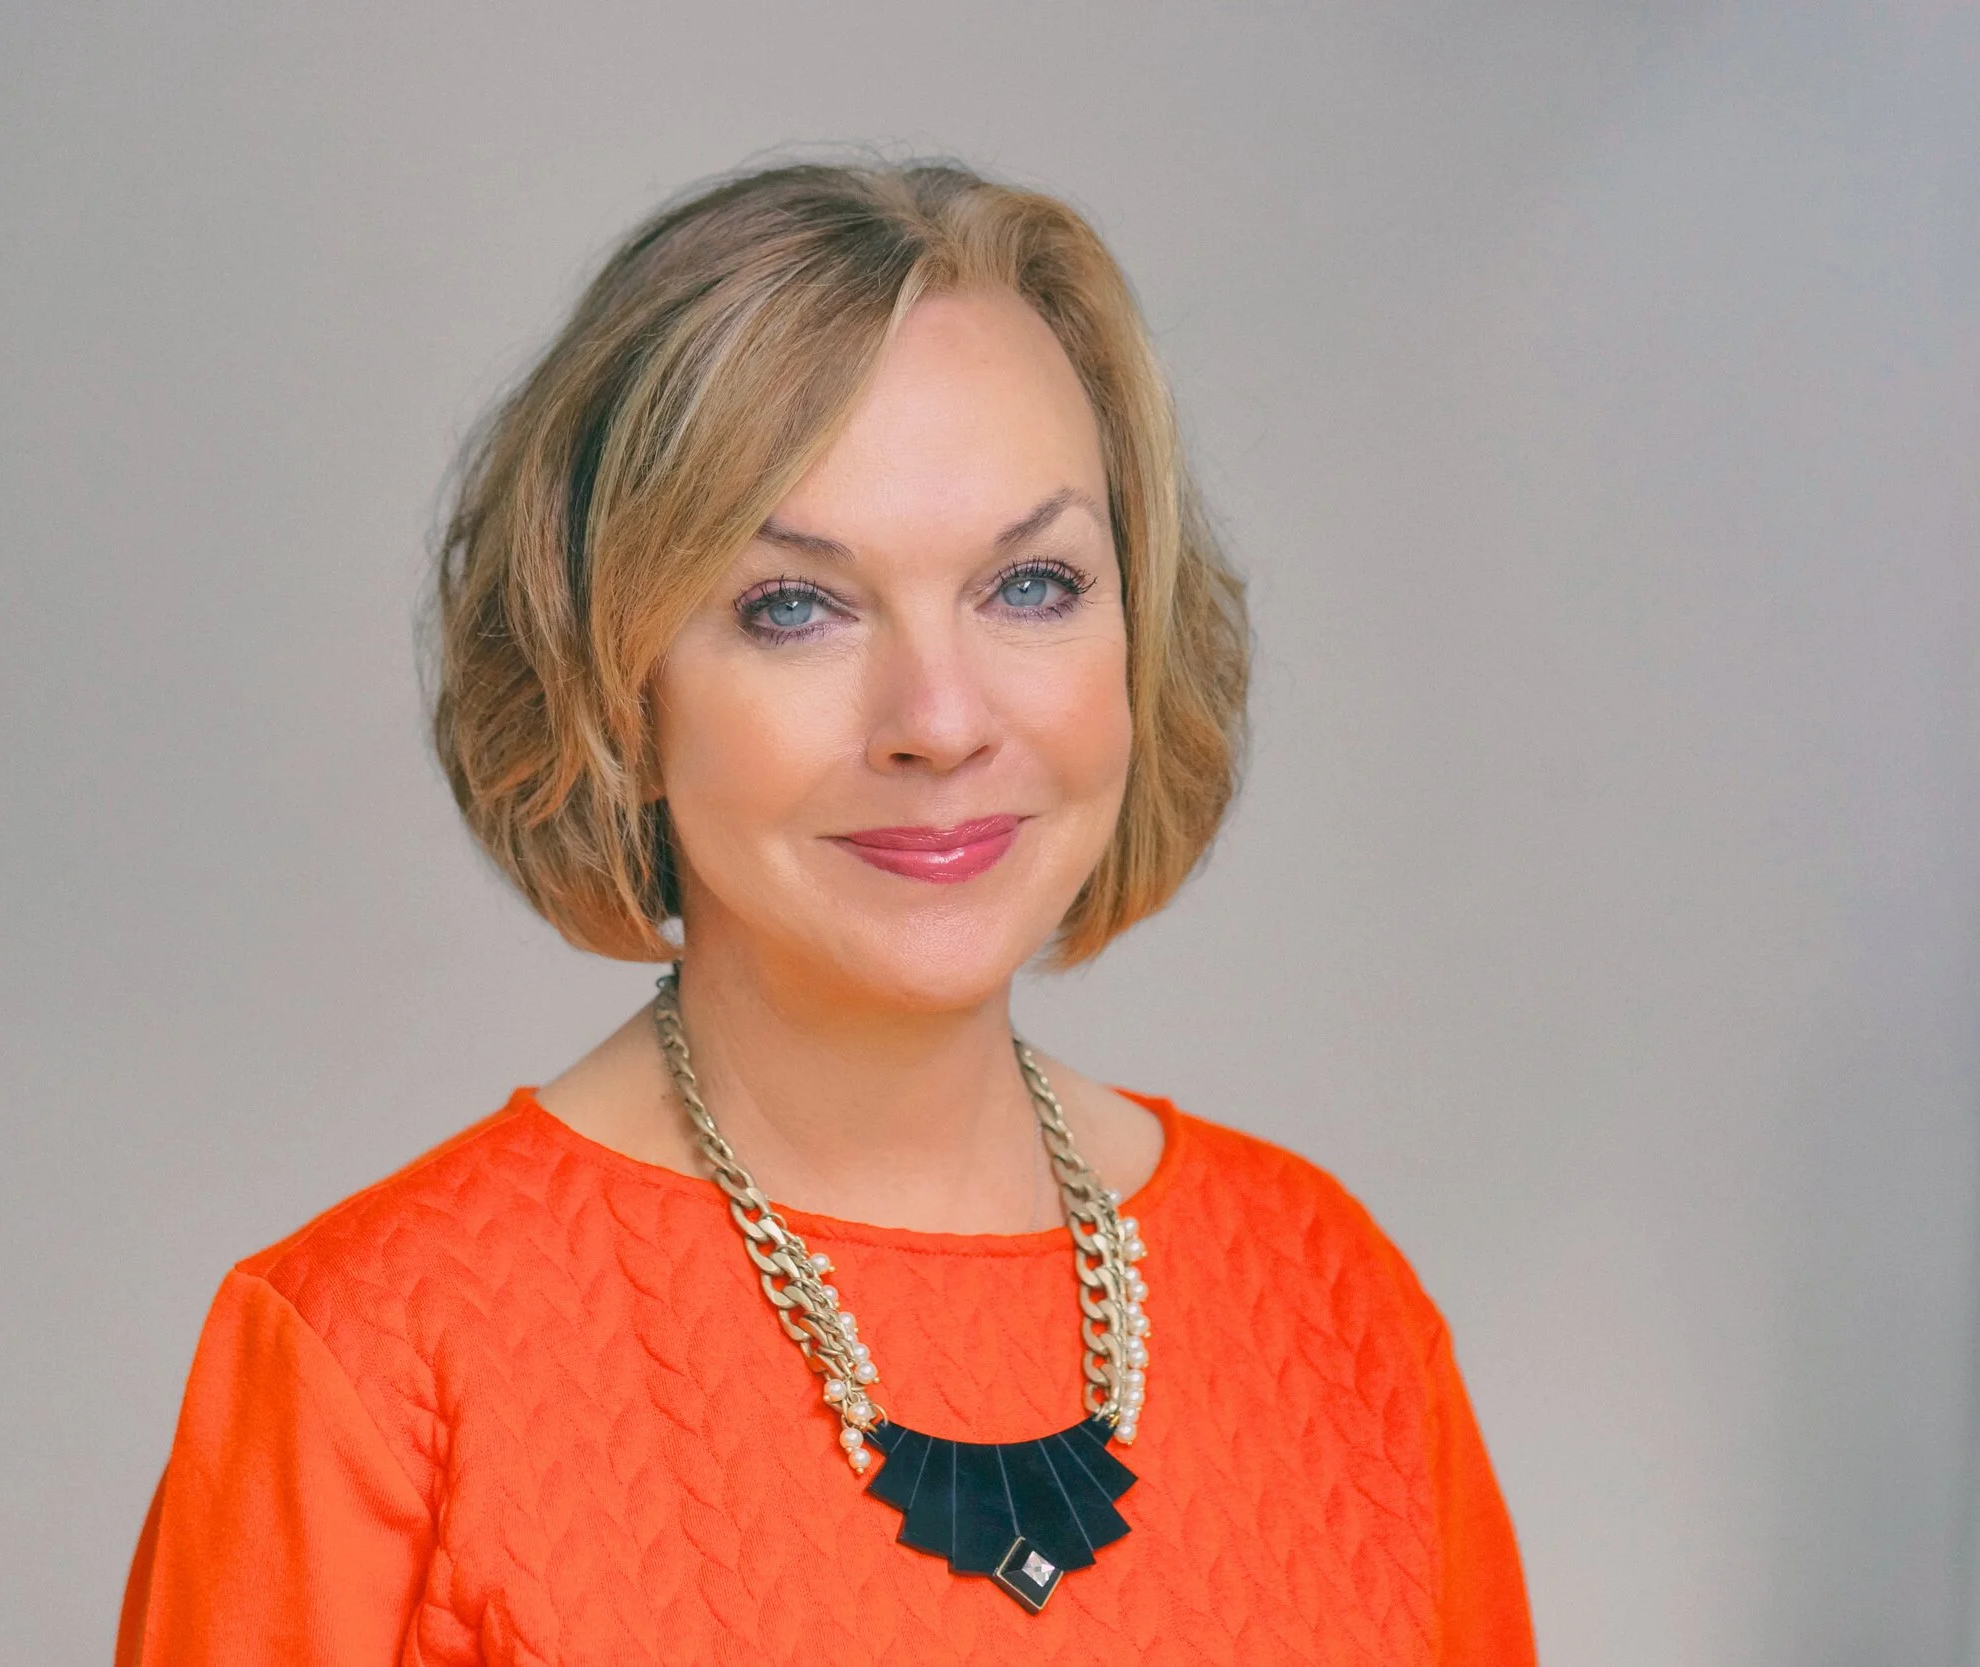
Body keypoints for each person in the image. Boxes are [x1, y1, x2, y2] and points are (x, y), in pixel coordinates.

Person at [115, 159, 1534, 1665]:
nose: (940, 721)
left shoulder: (1333, 1302)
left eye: (1032, 585)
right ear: (613, 681)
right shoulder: (378, 1356)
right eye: (793, 605)